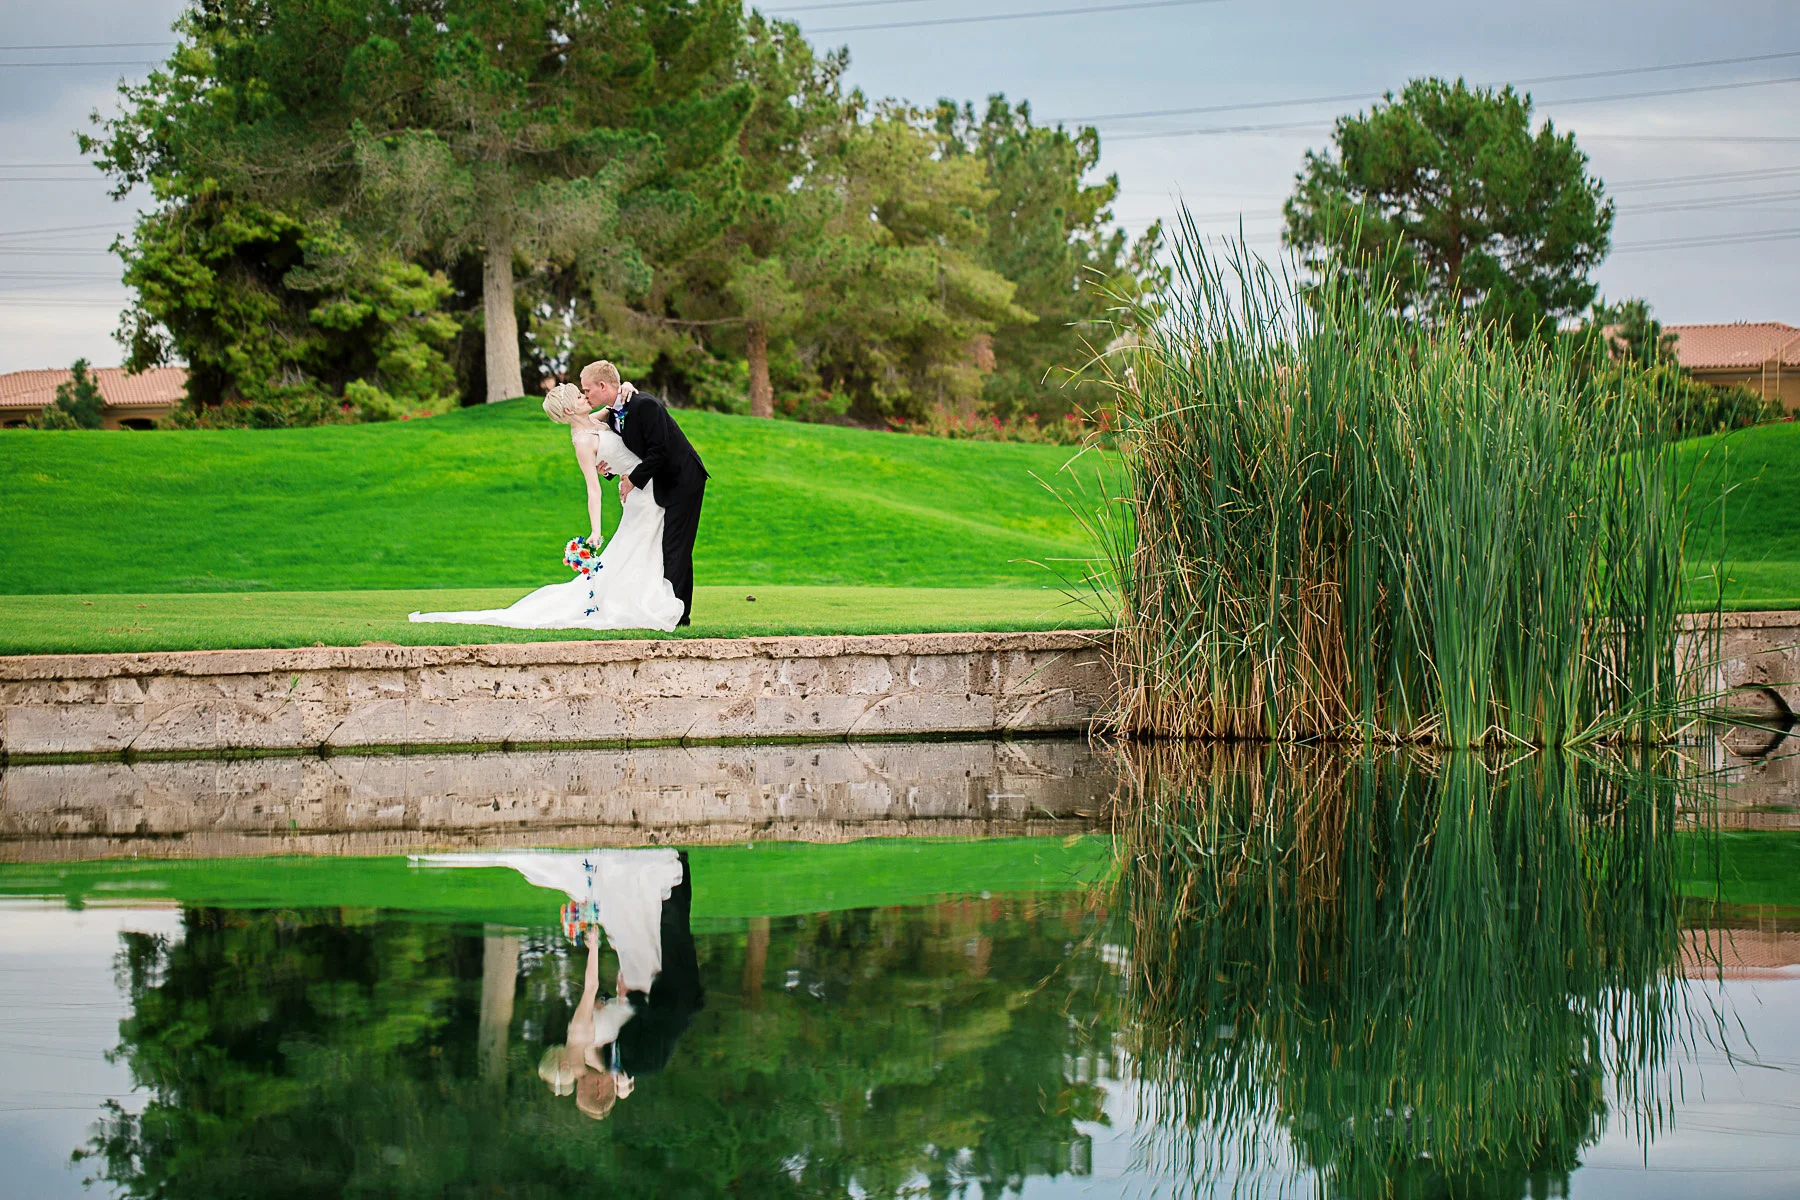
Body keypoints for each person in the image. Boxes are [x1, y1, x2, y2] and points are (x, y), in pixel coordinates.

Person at [410, 848, 703, 1119]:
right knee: (640, 920)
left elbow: (606, 1007)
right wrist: (593, 949)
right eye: (580, 1089)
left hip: (645, 983)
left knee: (639, 919)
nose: (577, 1083)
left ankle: (663, 875)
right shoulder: (590, 1046)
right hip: (644, 983)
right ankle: (660, 876)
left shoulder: (593, 1048)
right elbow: (592, 991)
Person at [406, 366, 687, 632]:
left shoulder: (595, 420)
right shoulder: (582, 441)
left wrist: (625, 386)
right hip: (640, 494)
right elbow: (593, 489)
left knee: (639, 549)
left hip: (646, 488)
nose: (585, 396)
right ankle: (634, 602)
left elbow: (617, 408)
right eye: (580, 396)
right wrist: (596, 530)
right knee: (636, 548)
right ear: (568, 409)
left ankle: (637, 597)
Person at [577, 360, 709, 627]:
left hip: (683, 480)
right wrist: (611, 472)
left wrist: (632, 482)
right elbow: (631, 453)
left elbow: (658, 451)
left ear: (603, 386)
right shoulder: (614, 412)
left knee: (676, 549)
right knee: (668, 548)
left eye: (587, 389)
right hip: (658, 484)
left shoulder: (644, 405)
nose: (586, 394)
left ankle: (678, 616)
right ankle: (670, 609)